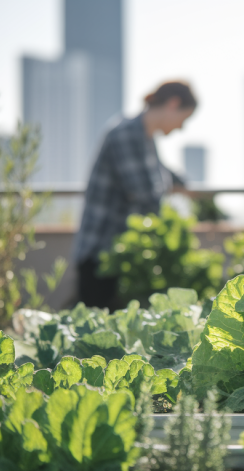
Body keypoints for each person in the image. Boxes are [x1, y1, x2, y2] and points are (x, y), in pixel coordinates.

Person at [72, 80, 197, 309]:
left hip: (121, 255)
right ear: (173, 104)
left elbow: (164, 175)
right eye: (184, 118)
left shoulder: (144, 138)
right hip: (101, 255)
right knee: (98, 326)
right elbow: (146, 195)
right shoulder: (126, 134)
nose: (181, 127)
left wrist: (190, 189)